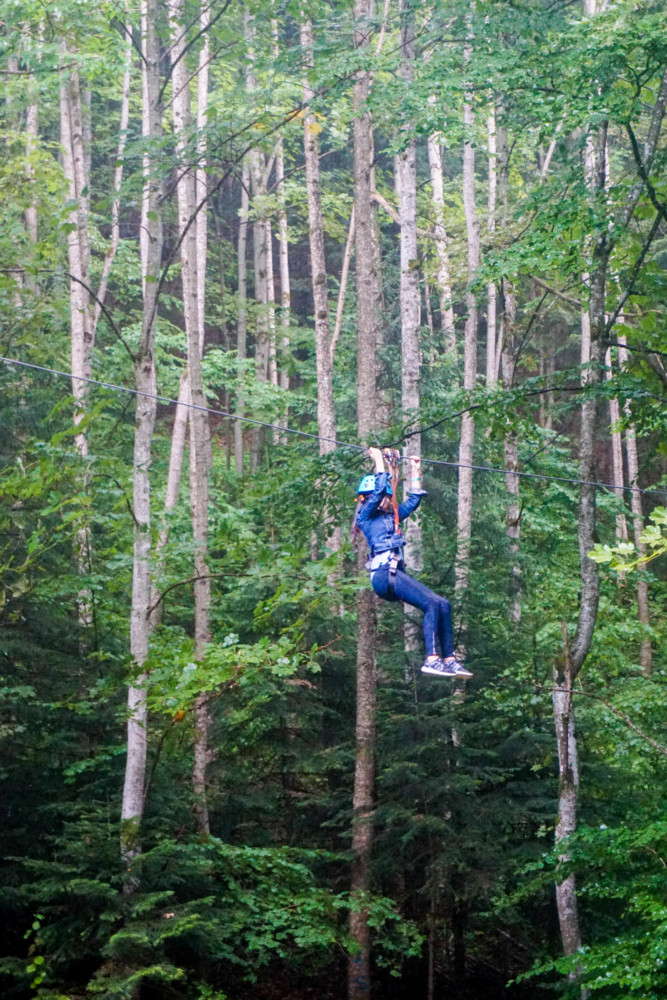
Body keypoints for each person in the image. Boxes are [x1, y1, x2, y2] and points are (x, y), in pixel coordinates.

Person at [354, 447, 472, 679]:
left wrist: (416, 470)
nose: (389, 501)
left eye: (390, 497)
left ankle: (449, 659)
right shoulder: (365, 517)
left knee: (443, 604)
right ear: (368, 499)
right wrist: (379, 461)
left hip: (393, 573)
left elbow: (413, 501)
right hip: (382, 574)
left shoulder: (391, 517)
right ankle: (431, 659)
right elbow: (378, 492)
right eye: (386, 498)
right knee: (430, 604)